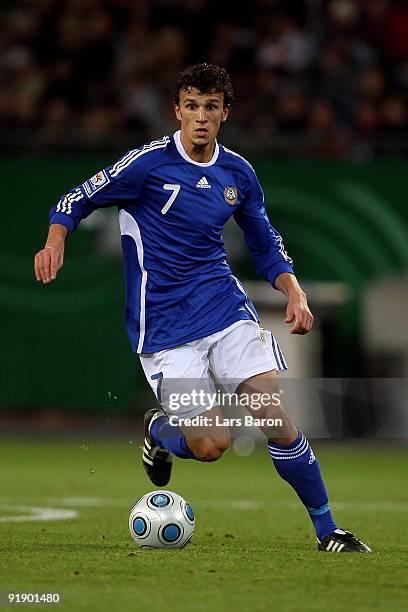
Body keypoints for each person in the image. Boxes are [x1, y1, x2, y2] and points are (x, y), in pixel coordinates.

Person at [34, 63, 370, 553]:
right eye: (191, 106)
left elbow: (265, 243)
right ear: (177, 111)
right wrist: (54, 241)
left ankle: (328, 531)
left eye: (210, 107)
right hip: (165, 326)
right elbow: (76, 198)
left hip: (221, 306)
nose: (200, 117)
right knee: (212, 445)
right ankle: (160, 430)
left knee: (272, 414)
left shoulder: (238, 172)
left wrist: (293, 291)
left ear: (224, 114)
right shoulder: (147, 164)